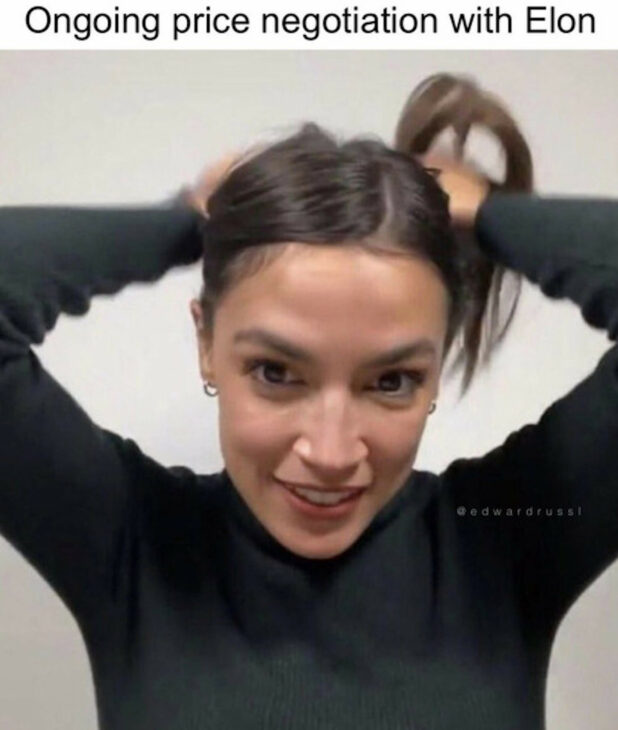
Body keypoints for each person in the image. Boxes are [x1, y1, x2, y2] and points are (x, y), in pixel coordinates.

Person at [0, 74, 616, 730]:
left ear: (435, 369)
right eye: (275, 372)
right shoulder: (132, 543)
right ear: (206, 343)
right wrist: (184, 219)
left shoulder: (513, 533)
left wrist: (488, 214)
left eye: (391, 381)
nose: (330, 453)